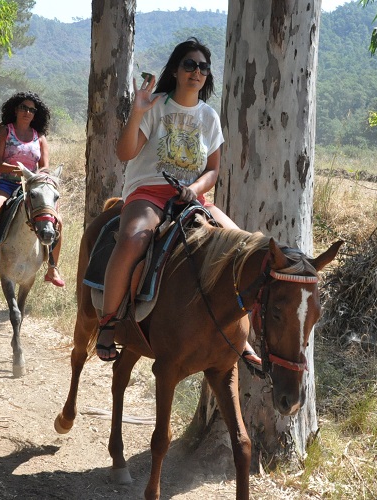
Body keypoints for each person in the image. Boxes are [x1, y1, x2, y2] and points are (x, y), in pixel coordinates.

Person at [96, 38, 261, 368]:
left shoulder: (209, 117)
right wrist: (137, 113)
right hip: (150, 194)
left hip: (193, 198)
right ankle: (108, 322)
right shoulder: (155, 105)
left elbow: (213, 170)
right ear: (175, 69)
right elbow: (124, 153)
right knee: (132, 240)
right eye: (189, 65)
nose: (196, 71)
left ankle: (245, 336)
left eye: (203, 67)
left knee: (247, 249)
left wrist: (195, 188)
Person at [0, 91, 65, 287]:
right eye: (23, 108)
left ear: (36, 114)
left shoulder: (39, 137)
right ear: (15, 110)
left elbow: (44, 168)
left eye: (31, 110)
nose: (27, 112)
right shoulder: (4, 132)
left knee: (57, 220)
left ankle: (52, 267)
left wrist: (39, 177)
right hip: (6, 183)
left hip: (33, 186)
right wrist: (17, 170)